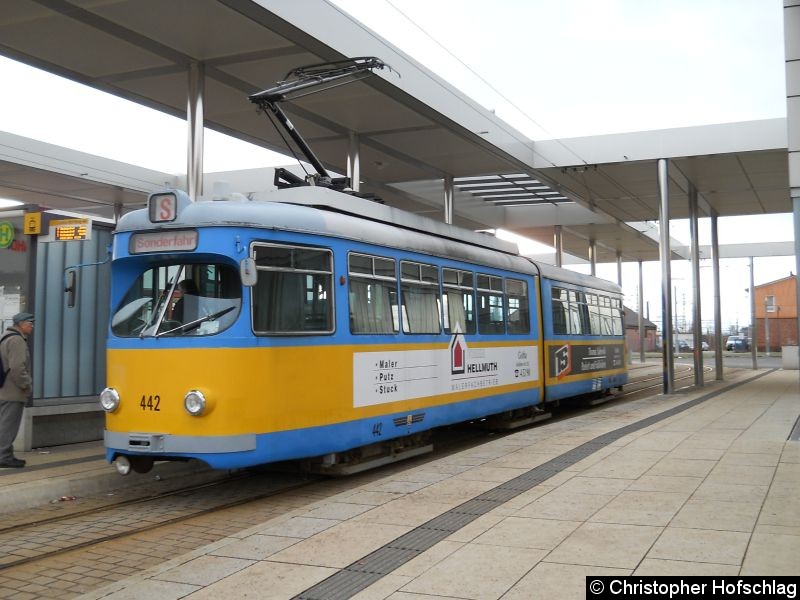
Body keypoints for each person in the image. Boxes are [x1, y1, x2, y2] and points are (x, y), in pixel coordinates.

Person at [0, 312, 34, 468]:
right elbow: (17, 368)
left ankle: (6, 453)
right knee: (8, 425)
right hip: (12, 391)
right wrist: (26, 384)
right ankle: (4, 456)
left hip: (3, 389)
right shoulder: (17, 340)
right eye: (30, 323)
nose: (32, 326)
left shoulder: (5, 336)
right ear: (20, 324)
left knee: (4, 423)